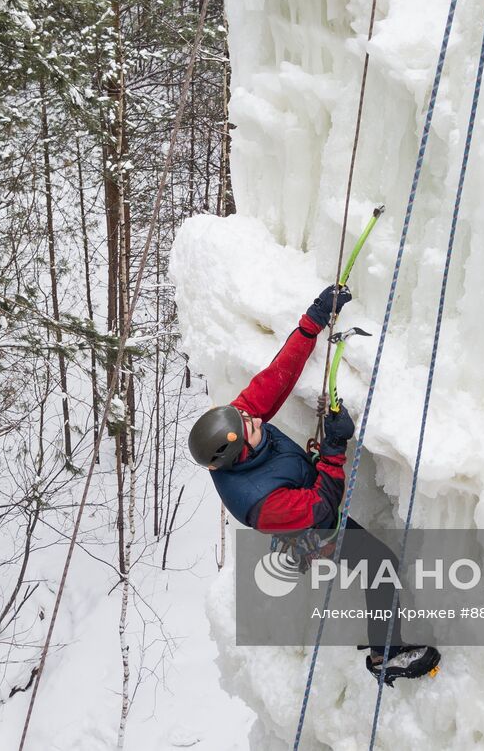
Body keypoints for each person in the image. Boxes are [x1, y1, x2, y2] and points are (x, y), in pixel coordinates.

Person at [187, 284, 440, 684]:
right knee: (380, 562)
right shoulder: (259, 500)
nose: (252, 416)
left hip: (297, 485)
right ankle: (385, 654)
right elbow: (323, 508)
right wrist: (334, 448)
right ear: (235, 453)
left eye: (247, 416)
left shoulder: (239, 426)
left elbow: (278, 376)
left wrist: (313, 319)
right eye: (250, 423)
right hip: (304, 527)